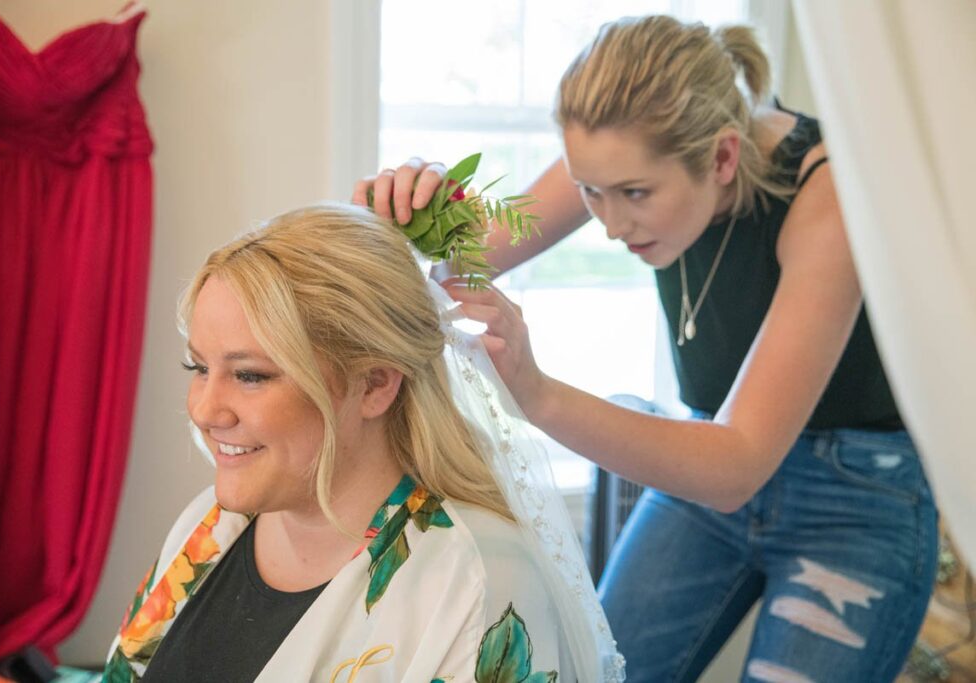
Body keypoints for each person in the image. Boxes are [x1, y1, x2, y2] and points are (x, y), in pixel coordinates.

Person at [355, 15, 939, 682]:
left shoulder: (829, 192)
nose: (609, 224)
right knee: (598, 671)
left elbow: (735, 466)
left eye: (634, 194)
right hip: (703, 452)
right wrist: (416, 205)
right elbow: (458, 262)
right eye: (589, 191)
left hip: (856, 494)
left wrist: (537, 392)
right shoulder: (622, 159)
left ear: (722, 157)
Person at [101, 204, 623, 682]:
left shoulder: (472, 580)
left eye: (251, 376)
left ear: (374, 384)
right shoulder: (208, 526)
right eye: (199, 367)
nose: (204, 410)